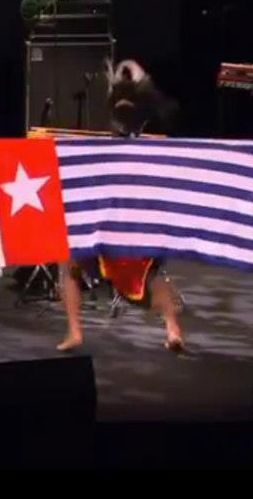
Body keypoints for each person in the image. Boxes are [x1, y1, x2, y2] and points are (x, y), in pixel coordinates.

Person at [56, 59, 185, 353]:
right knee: (150, 275)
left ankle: (75, 332)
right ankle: (173, 329)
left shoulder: (135, 141)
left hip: (124, 217)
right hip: (121, 217)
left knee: (71, 267)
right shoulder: (136, 142)